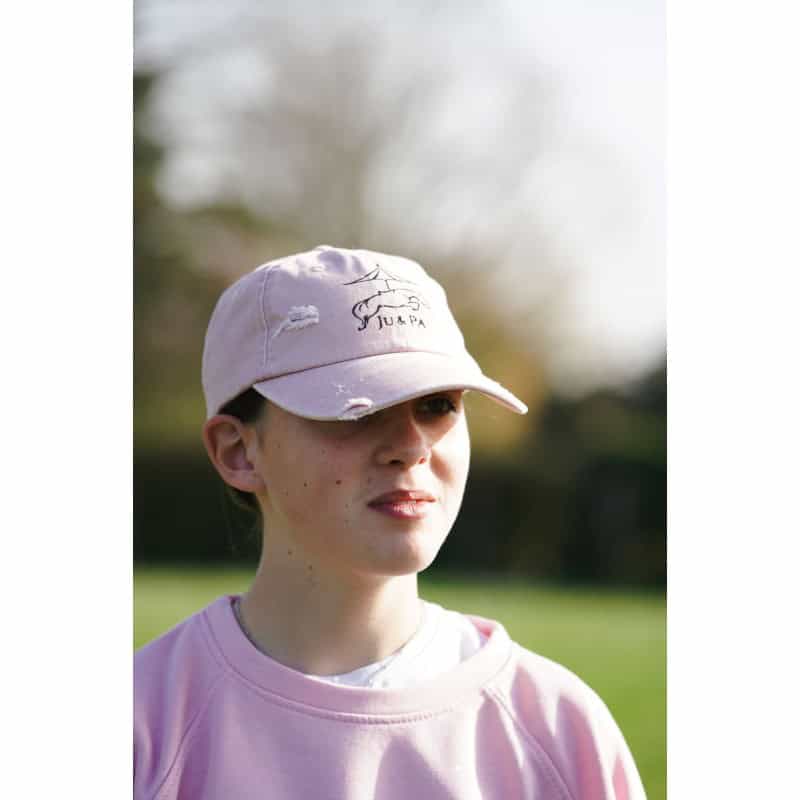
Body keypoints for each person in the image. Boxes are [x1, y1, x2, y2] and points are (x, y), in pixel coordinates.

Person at [134, 245, 647, 799]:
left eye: (438, 405)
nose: (411, 446)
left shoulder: (557, 729)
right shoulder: (145, 725)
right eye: (356, 409)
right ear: (238, 452)